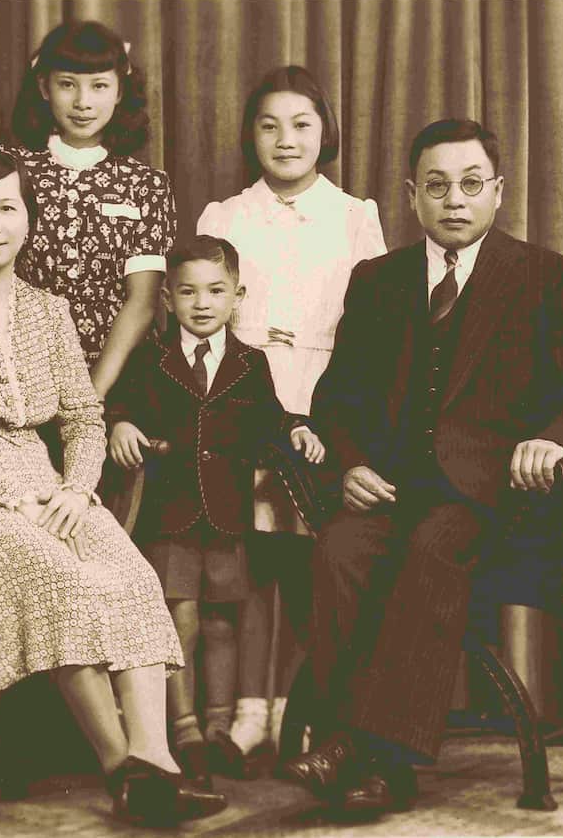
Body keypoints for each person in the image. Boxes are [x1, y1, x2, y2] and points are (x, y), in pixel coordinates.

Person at [0, 148, 224, 827]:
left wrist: (76, 487)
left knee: (132, 574)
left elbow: (83, 416)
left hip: (47, 480)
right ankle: (119, 765)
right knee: (67, 581)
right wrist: (17, 496)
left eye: (7, 207)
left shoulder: (48, 310)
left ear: (29, 220)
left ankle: (155, 764)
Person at [280, 118, 563, 820]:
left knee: (433, 543)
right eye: (436, 186)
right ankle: (376, 765)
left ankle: (354, 747)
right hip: (395, 489)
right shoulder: (378, 280)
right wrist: (350, 463)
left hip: (497, 503)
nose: (453, 200)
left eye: (469, 185)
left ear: (498, 192)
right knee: (341, 548)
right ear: (411, 196)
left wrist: (552, 441)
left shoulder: (546, 276)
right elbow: (335, 399)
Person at [196, 65, 386, 774]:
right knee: (250, 560)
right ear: (251, 135)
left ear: (325, 131)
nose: (286, 139)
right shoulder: (226, 215)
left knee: (315, 562)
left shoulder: (355, 215)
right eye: (269, 125)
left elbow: (372, 327)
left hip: (326, 401)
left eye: (302, 124)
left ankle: (304, 712)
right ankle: (250, 714)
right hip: (246, 400)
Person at [105, 235, 325, 792]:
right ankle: (184, 733)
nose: (202, 303)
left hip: (226, 516)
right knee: (177, 619)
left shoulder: (251, 363)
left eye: (215, 291)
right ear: (168, 301)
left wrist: (297, 428)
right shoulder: (151, 357)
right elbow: (121, 405)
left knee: (223, 621)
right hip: (167, 514)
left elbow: (271, 419)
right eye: (187, 292)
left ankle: (221, 729)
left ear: (237, 296)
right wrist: (121, 425)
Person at [0, 20, 174, 398]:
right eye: (67, 84)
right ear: (44, 87)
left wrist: (92, 396)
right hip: (18, 370)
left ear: (120, 91)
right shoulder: (7, 168)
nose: (83, 103)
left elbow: (142, 302)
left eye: (99, 86)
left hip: (119, 379)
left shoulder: (147, 185)